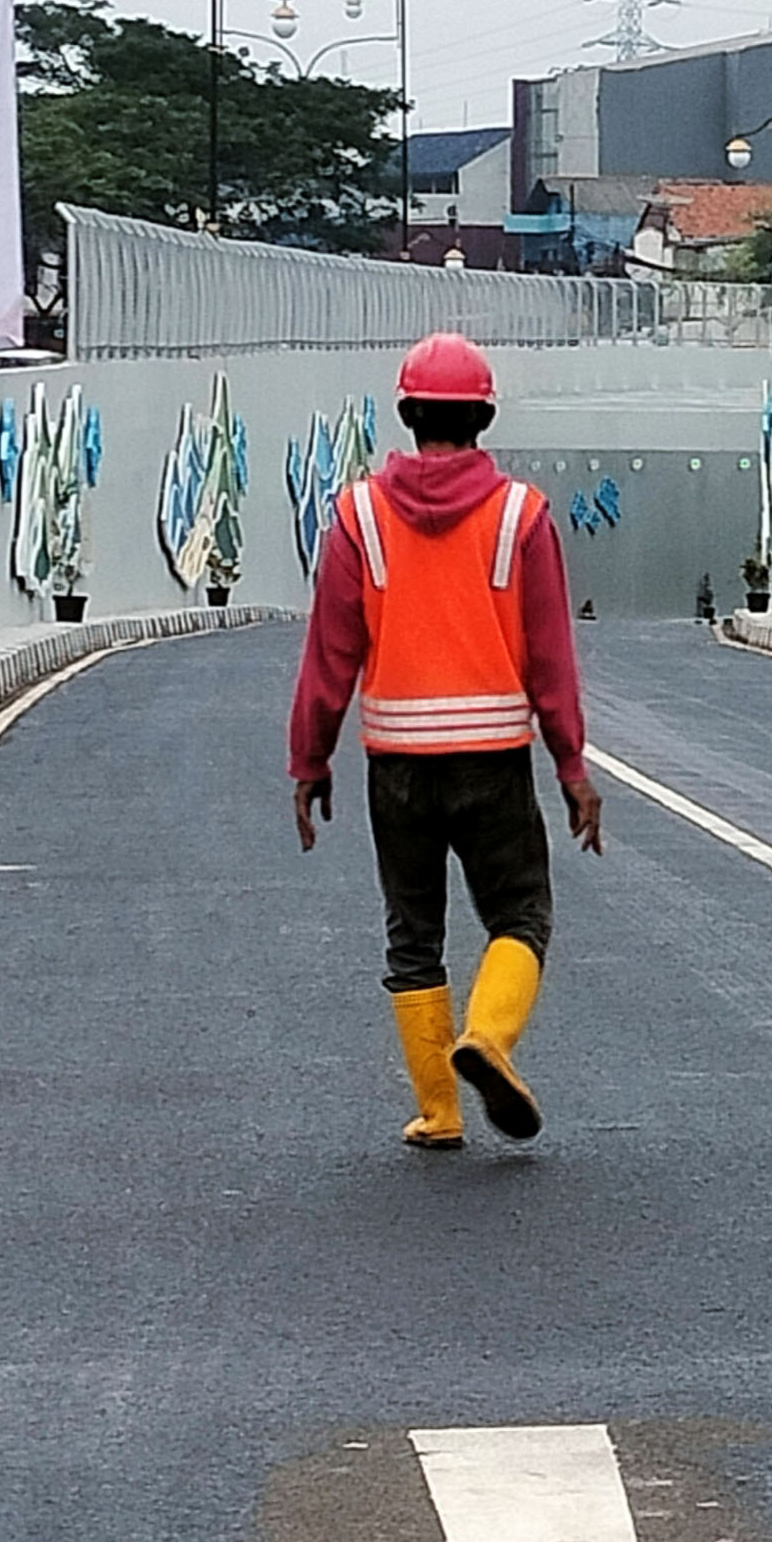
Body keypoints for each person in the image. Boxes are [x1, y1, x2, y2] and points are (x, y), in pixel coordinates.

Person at [289, 332, 603, 1149]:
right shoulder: (519, 516)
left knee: (412, 932)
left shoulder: (358, 515)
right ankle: (488, 1039)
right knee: (520, 912)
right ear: (483, 417)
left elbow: (329, 651)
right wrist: (571, 764)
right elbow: (549, 656)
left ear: (407, 412)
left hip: (395, 764)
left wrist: (309, 760)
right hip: (494, 761)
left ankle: (439, 1111)